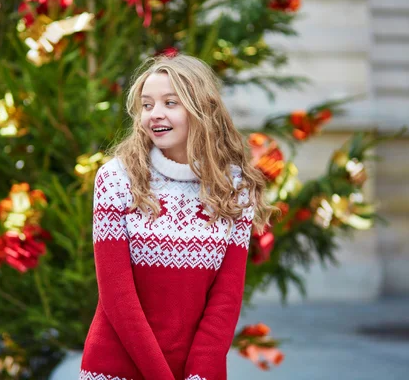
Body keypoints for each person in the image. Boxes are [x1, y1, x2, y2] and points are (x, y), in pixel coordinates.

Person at [79, 54, 271, 380]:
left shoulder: (235, 186)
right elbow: (117, 298)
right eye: (147, 105)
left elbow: (225, 301)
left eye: (170, 103)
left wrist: (200, 374)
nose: (156, 114)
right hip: (117, 368)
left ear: (201, 109)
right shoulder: (117, 179)